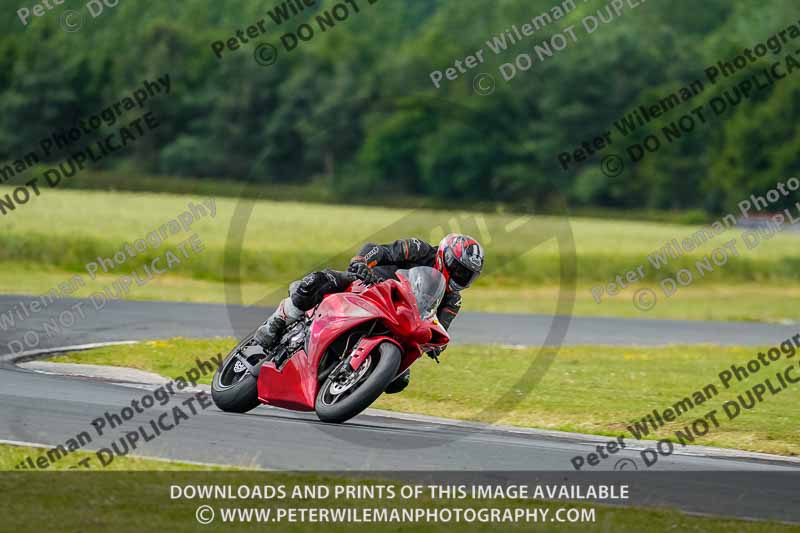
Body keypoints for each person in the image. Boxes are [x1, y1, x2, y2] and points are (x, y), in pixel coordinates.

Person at [252, 233, 485, 393]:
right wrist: (362, 263)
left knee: (398, 379)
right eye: (459, 270)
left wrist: (434, 344)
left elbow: (440, 327)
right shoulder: (420, 250)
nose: (460, 278)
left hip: (400, 321)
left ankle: (347, 385)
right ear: (446, 256)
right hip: (369, 287)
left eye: (467, 275)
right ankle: (279, 320)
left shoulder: (453, 299)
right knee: (316, 281)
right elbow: (381, 250)